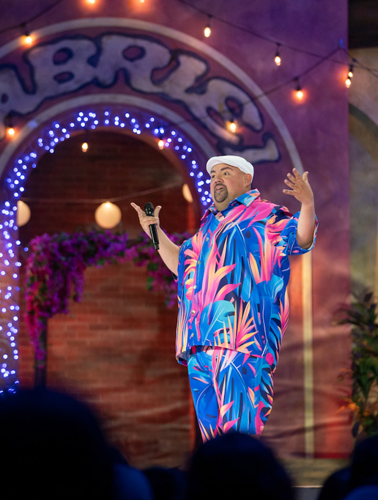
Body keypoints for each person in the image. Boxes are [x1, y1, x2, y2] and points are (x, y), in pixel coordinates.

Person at [131, 155, 317, 440]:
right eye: (213, 174)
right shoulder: (208, 226)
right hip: (199, 345)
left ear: (246, 179)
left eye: (226, 172)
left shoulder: (265, 215)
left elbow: (301, 238)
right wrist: (154, 231)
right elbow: (182, 264)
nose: (216, 178)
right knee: (213, 442)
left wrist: (307, 204)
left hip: (242, 341)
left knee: (240, 437)